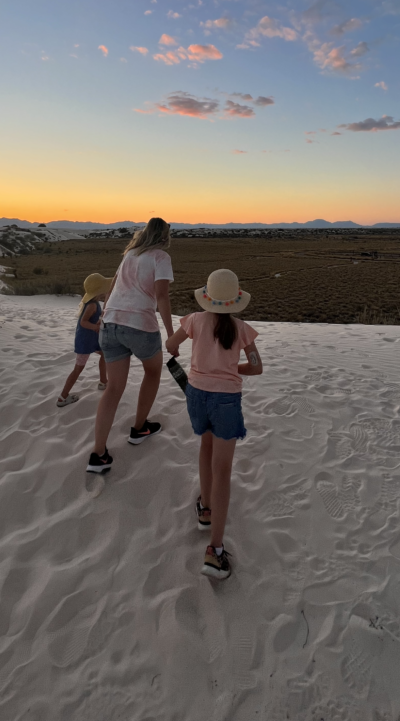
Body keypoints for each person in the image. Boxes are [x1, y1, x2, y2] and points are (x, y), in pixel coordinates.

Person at [166, 269, 262, 580]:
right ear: (235, 301)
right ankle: (215, 551)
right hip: (226, 400)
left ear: (207, 297)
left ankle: (205, 508)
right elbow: (257, 367)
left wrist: (180, 348)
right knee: (224, 468)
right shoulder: (241, 329)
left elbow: (170, 344)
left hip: (196, 394)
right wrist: (234, 368)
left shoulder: (194, 320)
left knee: (205, 447)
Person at [86, 218, 175, 474]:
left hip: (110, 323)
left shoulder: (130, 254)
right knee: (153, 371)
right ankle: (139, 428)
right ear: (164, 236)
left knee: (113, 389)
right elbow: (161, 296)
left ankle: (98, 454)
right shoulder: (160, 257)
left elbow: (112, 285)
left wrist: (104, 315)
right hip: (139, 324)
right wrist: (170, 333)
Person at [57, 273, 114, 407]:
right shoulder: (92, 305)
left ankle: (103, 381)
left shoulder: (93, 303)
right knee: (78, 369)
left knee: (104, 354)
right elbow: (83, 322)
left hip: (91, 339)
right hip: (85, 341)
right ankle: (62, 397)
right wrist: (95, 326)